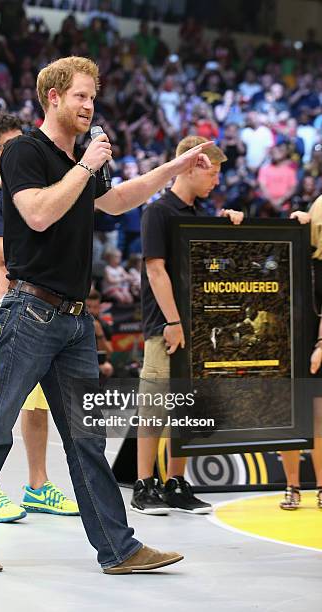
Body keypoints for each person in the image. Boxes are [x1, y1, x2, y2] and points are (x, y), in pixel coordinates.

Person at [0, 55, 214, 574]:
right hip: (29, 310)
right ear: (53, 97)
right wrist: (87, 165)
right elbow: (38, 212)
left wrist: (173, 168)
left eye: (93, 96)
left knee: (88, 439)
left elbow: (112, 203)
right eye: (81, 96)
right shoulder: (24, 151)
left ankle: (119, 548)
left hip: (73, 318)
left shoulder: (85, 161)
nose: (90, 105)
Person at [0, 112, 79, 522]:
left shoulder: (26, 182)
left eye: (22, 144)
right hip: (12, 306)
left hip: (46, 307)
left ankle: (37, 486)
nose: (18, 154)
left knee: (36, 407)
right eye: (8, 148)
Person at [132, 136, 245, 516]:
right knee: (155, 406)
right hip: (164, 326)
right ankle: (144, 484)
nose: (216, 180)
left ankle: (175, 483)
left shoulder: (200, 215)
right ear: (192, 166)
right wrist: (173, 320)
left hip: (198, 328)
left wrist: (228, 225)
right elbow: (155, 268)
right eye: (212, 172)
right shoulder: (158, 212)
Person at [279, 195, 322, 510]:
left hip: (316, 342)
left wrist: (320, 345)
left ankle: (321, 487)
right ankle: (292, 486)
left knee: (319, 416)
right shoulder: (298, 251)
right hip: (290, 340)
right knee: (291, 416)